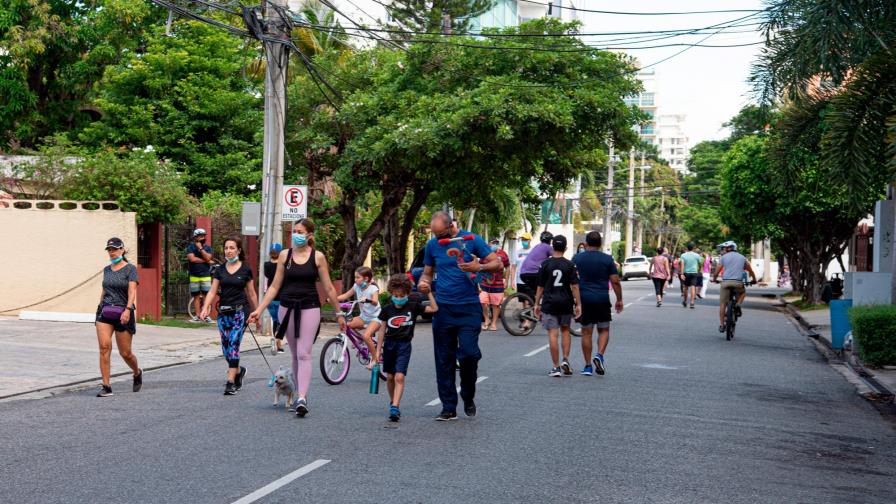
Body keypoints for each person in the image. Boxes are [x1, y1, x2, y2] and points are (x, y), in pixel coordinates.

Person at [248, 218, 342, 418]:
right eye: (293, 231)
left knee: (304, 353)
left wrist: (339, 312)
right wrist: (259, 309)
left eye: (299, 231)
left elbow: (329, 287)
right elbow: (274, 286)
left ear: (309, 235)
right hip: (286, 308)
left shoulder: (318, 257)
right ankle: (300, 394)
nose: (295, 235)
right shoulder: (284, 255)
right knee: (294, 354)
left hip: (309, 307)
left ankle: (301, 398)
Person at [417, 211, 502, 421]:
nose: (438, 238)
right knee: (443, 359)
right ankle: (448, 407)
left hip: (469, 307)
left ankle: (467, 394)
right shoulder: (432, 246)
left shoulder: (472, 240)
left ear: (450, 226)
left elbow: (497, 263)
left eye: (440, 234)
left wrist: (479, 266)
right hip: (443, 309)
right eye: (435, 235)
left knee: (470, 354)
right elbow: (427, 272)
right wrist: (424, 283)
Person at [368, 274, 438, 422]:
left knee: (399, 376)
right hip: (389, 346)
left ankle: (395, 406)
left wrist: (429, 293)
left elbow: (434, 308)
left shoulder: (413, 306)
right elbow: (381, 330)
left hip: (404, 345)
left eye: (402, 295)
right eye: (395, 295)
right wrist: (378, 351)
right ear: (391, 293)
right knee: (390, 377)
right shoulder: (387, 309)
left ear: (407, 293)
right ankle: (393, 400)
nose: (399, 298)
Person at [201, 236, 260, 395]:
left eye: (232, 248)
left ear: (239, 250)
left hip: (240, 312)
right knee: (226, 349)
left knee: (233, 343)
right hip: (223, 313)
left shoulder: (246, 269)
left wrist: (257, 312)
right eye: (226, 248)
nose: (228, 251)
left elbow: (252, 293)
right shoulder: (219, 270)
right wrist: (205, 307)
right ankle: (239, 371)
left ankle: (230, 382)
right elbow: (213, 291)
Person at [95, 238, 142, 397]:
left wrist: (128, 310)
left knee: (125, 353)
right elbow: (104, 290)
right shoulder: (106, 270)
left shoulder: (130, 269)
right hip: (105, 312)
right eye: (109, 249)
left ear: (122, 250)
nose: (111, 252)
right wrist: (99, 308)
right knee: (104, 348)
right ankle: (106, 386)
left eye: (114, 249)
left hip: (123, 313)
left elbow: (132, 292)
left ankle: (136, 372)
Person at [573, 231, 623, 376]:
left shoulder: (577, 258)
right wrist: (619, 299)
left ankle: (588, 366)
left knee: (586, 333)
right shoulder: (607, 259)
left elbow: (572, 281)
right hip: (601, 298)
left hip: (584, 299)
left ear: (586, 243)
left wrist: (574, 301)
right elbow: (615, 281)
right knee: (604, 329)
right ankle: (599, 355)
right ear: (600, 244)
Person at [534, 235, 582, 377]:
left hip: (549, 303)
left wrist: (536, 303)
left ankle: (555, 367)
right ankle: (565, 359)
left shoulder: (545, 264)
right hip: (566, 302)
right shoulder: (570, 265)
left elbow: (540, 286)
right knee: (565, 331)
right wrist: (578, 304)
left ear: (552, 247)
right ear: (566, 248)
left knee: (553, 334)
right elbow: (575, 286)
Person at [712, 241, 758, 333]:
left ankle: (722, 325)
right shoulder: (742, 257)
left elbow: (717, 271)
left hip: (725, 283)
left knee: (722, 304)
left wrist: (714, 278)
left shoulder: (723, 257)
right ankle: (738, 305)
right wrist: (754, 279)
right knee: (742, 293)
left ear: (729, 248)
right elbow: (750, 271)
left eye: (725, 248)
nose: (724, 250)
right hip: (738, 283)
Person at [336, 266, 381, 359]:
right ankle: (360, 340)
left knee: (366, 336)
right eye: (355, 277)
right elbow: (345, 296)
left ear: (366, 278)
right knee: (346, 325)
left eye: (357, 277)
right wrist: (333, 299)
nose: (355, 279)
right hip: (363, 317)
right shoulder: (356, 286)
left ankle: (374, 360)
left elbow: (375, 302)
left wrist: (368, 300)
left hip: (376, 318)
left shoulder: (373, 289)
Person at [479, 238, 509, 331]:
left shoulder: (503, 254)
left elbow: (507, 266)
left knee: (496, 304)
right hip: (484, 282)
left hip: (498, 283)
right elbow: (479, 266)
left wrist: (507, 281)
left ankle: (494, 323)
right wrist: (478, 281)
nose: (495, 245)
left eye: (496, 243)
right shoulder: (484, 253)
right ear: (489, 244)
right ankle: (487, 319)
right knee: (483, 301)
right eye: (493, 243)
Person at [186, 228, 215, 323]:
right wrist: (206, 261)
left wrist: (201, 249)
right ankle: (198, 316)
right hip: (194, 275)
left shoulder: (208, 248)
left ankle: (206, 315)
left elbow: (208, 257)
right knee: (196, 296)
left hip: (206, 275)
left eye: (203, 235)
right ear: (195, 237)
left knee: (207, 296)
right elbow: (192, 259)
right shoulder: (190, 247)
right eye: (199, 236)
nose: (202, 237)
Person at [518, 230, 554, 298]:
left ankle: (533, 303)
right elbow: (557, 257)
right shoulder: (547, 247)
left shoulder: (537, 246)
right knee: (546, 288)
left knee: (536, 291)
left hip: (523, 274)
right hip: (533, 274)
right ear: (549, 240)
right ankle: (537, 305)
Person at [264, 243, 285, 354]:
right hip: (281, 297)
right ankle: (277, 339)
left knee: (276, 320)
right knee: (281, 321)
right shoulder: (283, 265)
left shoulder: (266, 265)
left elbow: (267, 277)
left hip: (270, 298)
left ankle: (278, 345)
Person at [679, 242, 703, 309]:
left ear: (687, 248)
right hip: (694, 272)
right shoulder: (697, 255)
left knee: (686, 287)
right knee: (693, 287)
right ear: (694, 248)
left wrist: (681, 273)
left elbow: (682, 264)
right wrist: (700, 269)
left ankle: (685, 301)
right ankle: (692, 302)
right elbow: (700, 263)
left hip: (686, 273)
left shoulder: (683, 255)